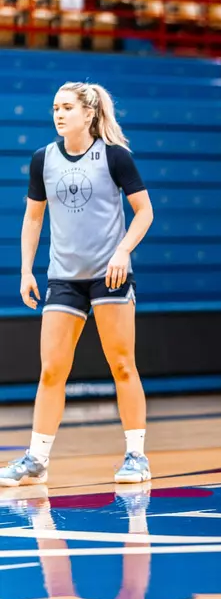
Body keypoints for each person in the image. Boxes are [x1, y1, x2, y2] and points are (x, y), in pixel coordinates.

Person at [0, 82, 154, 486]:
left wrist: (122, 252)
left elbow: (144, 212)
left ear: (89, 114)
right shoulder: (42, 159)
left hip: (110, 275)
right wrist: (25, 270)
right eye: (55, 107)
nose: (59, 113)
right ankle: (36, 459)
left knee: (122, 365)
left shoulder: (115, 156)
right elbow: (33, 219)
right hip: (63, 278)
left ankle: (136, 455)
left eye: (67, 107)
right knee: (51, 371)